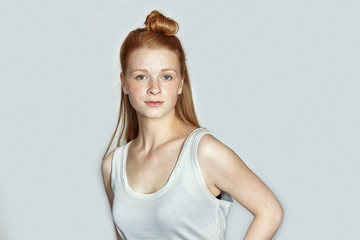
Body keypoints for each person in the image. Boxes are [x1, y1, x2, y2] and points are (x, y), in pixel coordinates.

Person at [101, 10, 283, 240]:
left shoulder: (203, 152)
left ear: (180, 83)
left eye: (166, 76)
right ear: (124, 83)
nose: (154, 88)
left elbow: (269, 211)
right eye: (141, 76)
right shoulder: (112, 166)